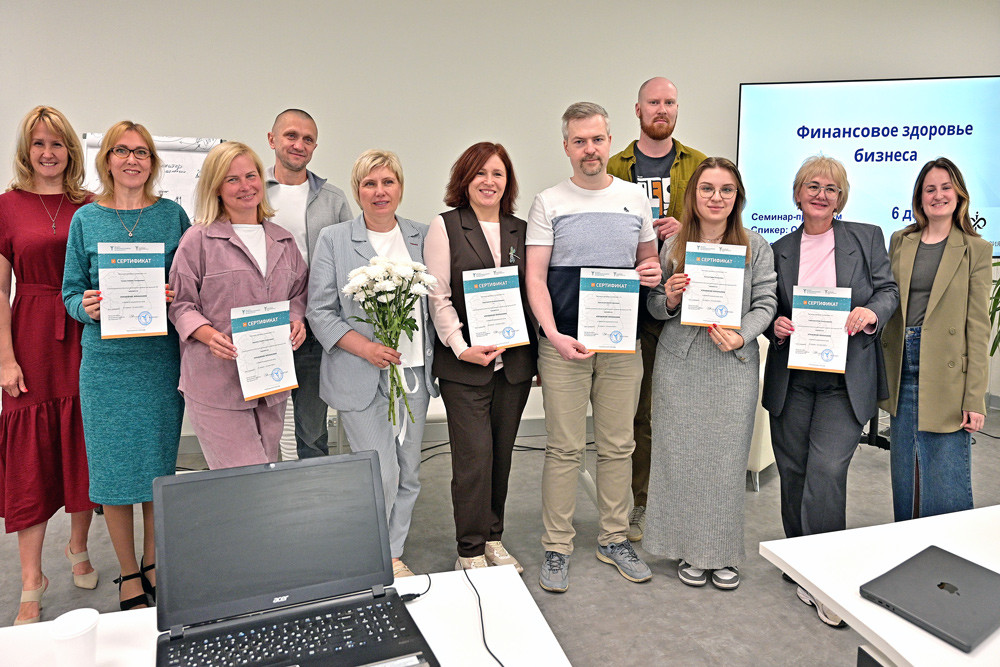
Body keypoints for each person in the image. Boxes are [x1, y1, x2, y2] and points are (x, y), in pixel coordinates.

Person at [526, 102, 661, 593]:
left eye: (597, 139)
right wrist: (552, 335)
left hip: (622, 346)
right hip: (564, 345)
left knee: (618, 446)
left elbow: (649, 264)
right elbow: (535, 278)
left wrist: (652, 273)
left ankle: (613, 538)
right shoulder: (548, 202)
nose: (590, 149)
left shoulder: (635, 199)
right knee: (563, 448)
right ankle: (557, 545)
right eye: (579, 141)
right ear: (566, 146)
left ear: (610, 142)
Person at [762, 155, 898, 626]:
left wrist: (872, 313)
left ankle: (824, 574)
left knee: (826, 469)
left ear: (841, 198)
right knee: (793, 469)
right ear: (798, 194)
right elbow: (767, 306)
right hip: (794, 378)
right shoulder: (777, 249)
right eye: (813, 186)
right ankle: (800, 559)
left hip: (845, 378)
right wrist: (775, 326)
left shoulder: (866, 237)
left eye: (831, 189)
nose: (821, 195)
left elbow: (888, 291)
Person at [63, 120, 189, 610]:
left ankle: (154, 561)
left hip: (159, 362)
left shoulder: (172, 216)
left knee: (158, 466)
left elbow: (191, 283)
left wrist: (175, 294)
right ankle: (129, 572)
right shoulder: (85, 220)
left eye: (141, 152)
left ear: (152, 162)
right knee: (114, 473)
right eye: (121, 151)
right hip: (107, 365)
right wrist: (85, 307)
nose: (131, 159)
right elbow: (69, 292)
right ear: (107, 160)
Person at [644, 157, 776, 590]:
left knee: (724, 464)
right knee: (679, 460)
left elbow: (766, 303)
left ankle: (720, 553)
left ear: (737, 197)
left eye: (726, 190)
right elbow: (654, 307)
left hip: (732, 365)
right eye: (707, 188)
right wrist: (670, 297)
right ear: (693, 195)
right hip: (679, 365)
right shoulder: (673, 245)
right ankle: (684, 547)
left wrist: (743, 335)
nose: (716, 197)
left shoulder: (756, 246)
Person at [307, 150, 437, 579]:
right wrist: (365, 348)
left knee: (409, 471)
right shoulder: (334, 238)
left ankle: (392, 553)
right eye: (370, 183)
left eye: (388, 182)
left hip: (412, 373)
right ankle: (372, 553)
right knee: (379, 469)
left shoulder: (423, 235)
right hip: (358, 371)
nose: (380, 192)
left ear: (400, 187)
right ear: (357, 190)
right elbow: (320, 311)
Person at [0, 106, 98, 625]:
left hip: (85, 332)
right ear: (26, 150)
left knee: (83, 444)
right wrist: (5, 357)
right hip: (32, 336)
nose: (48, 152)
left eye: (57, 143)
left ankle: (78, 545)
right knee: (31, 460)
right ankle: (30, 579)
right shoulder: (7, 206)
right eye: (39, 143)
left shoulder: (91, 204)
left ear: (70, 151)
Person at [425, 142, 537, 572]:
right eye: (480, 173)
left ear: (508, 182)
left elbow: (533, 294)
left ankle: (493, 538)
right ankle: (469, 550)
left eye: (498, 174)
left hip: (514, 366)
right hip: (465, 364)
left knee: (502, 456)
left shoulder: (521, 230)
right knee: (473, 459)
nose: (489, 182)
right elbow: (438, 296)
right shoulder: (446, 226)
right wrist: (460, 347)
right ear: (465, 179)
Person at [607, 76, 708, 542]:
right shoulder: (614, 165)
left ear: (677, 109)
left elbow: (719, 223)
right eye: (653, 102)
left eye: (669, 102)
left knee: (684, 409)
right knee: (638, 412)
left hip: (686, 301)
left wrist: (685, 226)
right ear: (638, 109)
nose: (661, 109)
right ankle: (641, 502)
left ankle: (682, 498)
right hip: (630, 303)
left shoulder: (698, 164)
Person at [169, 142, 308, 469]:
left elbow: (299, 292)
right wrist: (207, 335)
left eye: (250, 176)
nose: (245, 186)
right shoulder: (198, 240)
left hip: (270, 382)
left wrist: (296, 320)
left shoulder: (283, 240)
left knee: (263, 475)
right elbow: (180, 303)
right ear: (216, 188)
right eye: (232, 179)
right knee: (246, 479)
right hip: (217, 384)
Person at [880, 158, 990, 521]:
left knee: (945, 471)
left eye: (945, 188)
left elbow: (978, 327)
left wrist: (974, 398)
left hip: (947, 370)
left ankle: (949, 547)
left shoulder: (975, 249)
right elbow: (886, 298)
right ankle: (908, 541)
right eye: (930, 189)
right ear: (919, 197)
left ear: (959, 195)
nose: (938, 195)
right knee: (905, 470)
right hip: (902, 363)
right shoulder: (901, 240)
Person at [265, 109, 353, 460]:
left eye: (308, 139)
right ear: (272, 139)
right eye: (291, 135)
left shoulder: (333, 199)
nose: (299, 144)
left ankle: (315, 494)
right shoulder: (250, 192)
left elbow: (348, 264)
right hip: (262, 326)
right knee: (260, 429)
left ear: (315, 146)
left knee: (312, 430)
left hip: (314, 328)